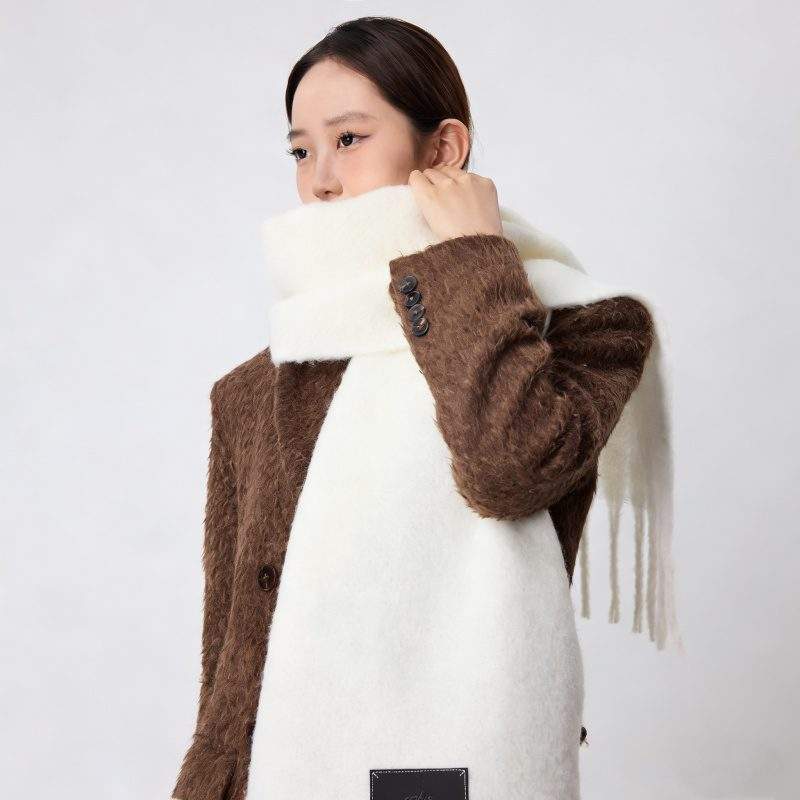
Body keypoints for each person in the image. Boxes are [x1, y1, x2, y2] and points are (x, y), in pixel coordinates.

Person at [171, 16, 678, 800]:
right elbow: (234, 662)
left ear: (443, 150)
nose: (321, 181)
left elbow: (509, 469)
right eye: (301, 150)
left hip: (469, 768)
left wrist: (469, 260)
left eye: (348, 139)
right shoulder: (257, 387)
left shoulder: (581, 329)